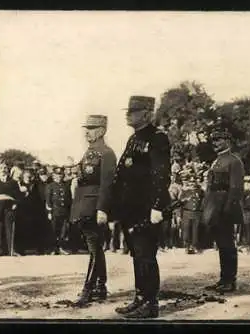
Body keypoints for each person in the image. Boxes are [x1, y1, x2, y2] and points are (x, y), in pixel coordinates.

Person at [113, 96, 171, 319]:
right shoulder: (133, 138)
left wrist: (157, 206)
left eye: (134, 111)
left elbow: (161, 174)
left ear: (147, 114)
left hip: (147, 208)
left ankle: (150, 303)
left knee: (146, 254)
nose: (128, 114)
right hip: (131, 208)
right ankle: (140, 297)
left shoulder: (158, 138)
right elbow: (122, 174)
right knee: (137, 254)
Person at [70, 115, 117, 307]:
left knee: (94, 248)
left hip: (94, 207)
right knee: (95, 247)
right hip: (83, 205)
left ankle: (88, 289)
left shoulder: (107, 153)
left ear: (102, 130)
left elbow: (107, 184)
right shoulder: (89, 152)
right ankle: (100, 286)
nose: (86, 131)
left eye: (91, 127)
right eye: (86, 128)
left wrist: (102, 209)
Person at [201, 120, 244, 293]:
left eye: (219, 140)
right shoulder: (217, 160)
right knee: (221, 244)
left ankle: (229, 280)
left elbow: (236, 188)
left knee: (227, 244)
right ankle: (223, 278)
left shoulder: (234, 161)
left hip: (224, 208)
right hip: (214, 207)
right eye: (214, 140)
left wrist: (227, 209)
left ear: (228, 141)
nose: (215, 143)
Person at [0, 163, 21, 256]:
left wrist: (15, 204)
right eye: (1, 168)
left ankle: (11, 250)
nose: (3, 170)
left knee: (9, 228)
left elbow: (18, 196)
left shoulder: (13, 182)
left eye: (5, 168)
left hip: (9, 208)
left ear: (8, 170)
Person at [45, 167, 72, 254]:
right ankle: (53, 248)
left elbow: (69, 199)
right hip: (54, 211)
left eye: (60, 175)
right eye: (57, 175)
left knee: (63, 231)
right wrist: (49, 212)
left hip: (64, 211)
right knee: (53, 231)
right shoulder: (50, 186)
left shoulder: (66, 186)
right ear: (53, 176)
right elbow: (48, 201)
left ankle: (61, 247)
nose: (59, 177)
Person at [179, 175, 204, 254]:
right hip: (187, 212)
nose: (192, 184)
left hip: (196, 213)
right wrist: (179, 215)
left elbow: (203, 202)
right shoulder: (185, 192)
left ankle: (194, 246)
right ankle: (187, 246)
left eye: (194, 182)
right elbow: (180, 203)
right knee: (186, 230)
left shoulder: (200, 192)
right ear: (188, 183)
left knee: (195, 231)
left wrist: (201, 212)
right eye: (191, 182)